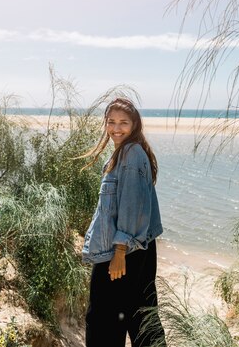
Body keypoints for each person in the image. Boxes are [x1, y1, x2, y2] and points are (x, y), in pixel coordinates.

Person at [80, 97, 166, 347]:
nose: (116, 128)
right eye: (111, 122)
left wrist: (119, 251)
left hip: (123, 253)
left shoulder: (131, 153)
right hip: (135, 251)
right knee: (139, 317)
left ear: (135, 124)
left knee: (102, 320)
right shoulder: (128, 152)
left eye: (123, 123)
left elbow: (133, 206)